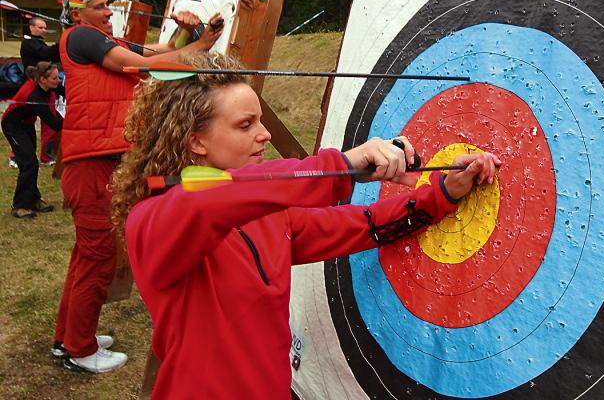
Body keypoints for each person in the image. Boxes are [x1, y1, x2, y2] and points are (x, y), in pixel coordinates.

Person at [110, 52, 502, 399]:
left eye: (260, 120)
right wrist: (341, 166)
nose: (263, 134)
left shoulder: (271, 217)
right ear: (197, 142)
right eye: (245, 125)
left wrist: (443, 194)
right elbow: (206, 203)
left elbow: (364, 225)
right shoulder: (153, 221)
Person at [51, 0, 224, 374]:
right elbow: (142, 66)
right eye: (99, 6)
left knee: (87, 255)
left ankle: (69, 336)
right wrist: (202, 45)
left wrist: (186, 33)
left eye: (107, 4)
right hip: (92, 161)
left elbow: (159, 52)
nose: (107, 12)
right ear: (77, 13)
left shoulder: (100, 40)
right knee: (98, 256)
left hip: (98, 158)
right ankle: (79, 348)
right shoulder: (82, 37)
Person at [1, 62, 63, 218]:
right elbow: (55, 124)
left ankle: (34, 199)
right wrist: (75, 119)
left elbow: (67, 92)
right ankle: (20, 206)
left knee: (30, 163)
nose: (59, 80)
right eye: (55, 78)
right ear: (43, 79)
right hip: (13, 125)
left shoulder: (49, 85)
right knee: (29, 163)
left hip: (27, 124)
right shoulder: (34, 96)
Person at [20, 17, 62, 166]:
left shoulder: (39, 43)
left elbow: (54, 55)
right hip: (32, 87)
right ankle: (16, 157)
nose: (44, 30)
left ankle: (47, 155)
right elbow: (46, 54)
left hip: (47, 87)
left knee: (49, 123)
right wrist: (62, 41)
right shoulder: (29, 43)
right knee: (25, 122)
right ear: (31, 28)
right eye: (40, 27)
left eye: (45, 28)